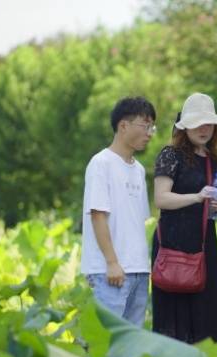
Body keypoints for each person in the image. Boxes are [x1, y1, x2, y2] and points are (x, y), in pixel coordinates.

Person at [151, 92, 217, 344]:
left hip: (203, 244)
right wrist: (197, 197)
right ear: (184, 126)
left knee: (206, 314)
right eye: (197, 123)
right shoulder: (171, 155)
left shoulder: (214, 161)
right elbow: (161, 199)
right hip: (173, 244)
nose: (203, 128)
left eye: (208, 123)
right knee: (173, 318)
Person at [80, 96, 157, 326]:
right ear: (123, 126)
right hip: (110, 272)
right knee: (106, 343)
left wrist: (143, 268)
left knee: (130, 347)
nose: (150, 132)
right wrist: (112, 262)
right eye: (146, 125)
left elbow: (137, 221)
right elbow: (98, 215)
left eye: (152, 126)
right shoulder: (101, 163)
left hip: (139, 271)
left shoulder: (139, 170)